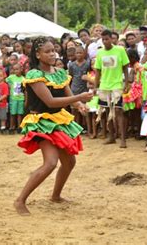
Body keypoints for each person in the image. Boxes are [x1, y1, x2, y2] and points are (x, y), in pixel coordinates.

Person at [13, 37, 92, 216]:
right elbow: (50, 101)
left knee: (70, 162)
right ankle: (20, 200)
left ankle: (55, 196)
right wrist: (78, 98)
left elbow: (68, 96)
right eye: (47, 51)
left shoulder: (59, 72)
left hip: (58, 121)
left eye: (53, 50)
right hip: (41, 121)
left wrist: (80, 105)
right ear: (37, 54)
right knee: (50, 163)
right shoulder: (34, 74)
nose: (52, 54)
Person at [94, 29, 129, 148]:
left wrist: (127, 82)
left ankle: (123, 139)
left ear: (112, 39)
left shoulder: (120, 50)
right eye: (103, 39)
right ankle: (111, 136)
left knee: (119, 111)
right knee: (107, 111)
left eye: (107, 39)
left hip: (117, 84)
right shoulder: (100, 53)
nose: (105, 41)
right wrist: (95, 86)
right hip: (104, 85)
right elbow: (97, 71)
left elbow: (125, 66)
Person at [122, 49, 144, 139]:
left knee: (136, 113)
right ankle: (133, 131)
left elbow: (134, 80)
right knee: (131, 113)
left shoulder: (137, 66)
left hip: (137, 92)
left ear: (133, 57)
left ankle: (138, 132)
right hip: (132, 91)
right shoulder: (131, 66)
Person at [68, 46, 90, 126]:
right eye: (77, 53)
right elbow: (70, 76)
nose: (79, 54)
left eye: (80, 53)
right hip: (74, 88)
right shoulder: (72, 65)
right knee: (74, 110)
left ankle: (86, 127)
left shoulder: (87, 64)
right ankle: (75, 126)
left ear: (84, 54)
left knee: (85, 108)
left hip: (84, 89)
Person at [6, 63, 25, 134]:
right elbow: (6, 80)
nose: (16, 71)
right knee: (12, 114)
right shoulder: (11, 77)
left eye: (17, 69)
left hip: (21, 98)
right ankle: (11, 127)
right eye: (14, 70)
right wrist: (9, 85)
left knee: (20, 114)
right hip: (13, 99)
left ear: (21, 69)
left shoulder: (23, 79)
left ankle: (19, 127)